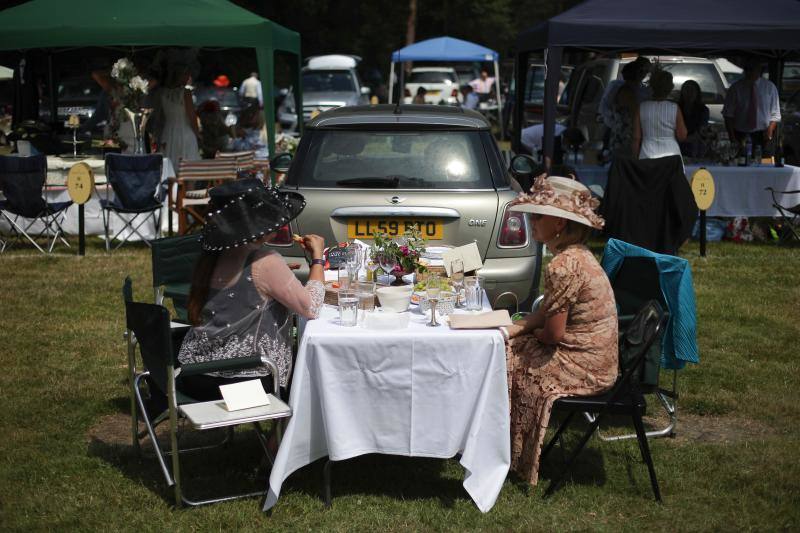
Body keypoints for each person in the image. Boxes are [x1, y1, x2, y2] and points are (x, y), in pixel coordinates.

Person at [500, 174, 618, 488]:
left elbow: (553, 334)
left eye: (538, 215)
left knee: (506, 361)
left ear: (559, 224)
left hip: (587, 367)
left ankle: (507, 455)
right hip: (601, 360)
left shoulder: (563, 265)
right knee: (510, 348)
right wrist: (520, 327)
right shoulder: (576, 255)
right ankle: (503, 449)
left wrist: (524, 334)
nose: (531, 220)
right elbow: (547, 314)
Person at [178, 178, 325, 399]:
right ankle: (282, 434)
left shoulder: (210, 256)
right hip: (244, 382)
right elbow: (310, 307)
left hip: (194, 378)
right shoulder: (265, 261)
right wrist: (317, 259)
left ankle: (275, 435)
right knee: (311, 365)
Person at [722, 58, 781, 157]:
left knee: (762, 166)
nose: (749, 72)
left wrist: (770, 130)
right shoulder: (736, 88)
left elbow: (775, 114)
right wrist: (732, 138)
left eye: (751, 69)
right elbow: (728, 115)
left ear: (759, 70)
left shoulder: (770, 87)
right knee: (740, 163)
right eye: (747, 69)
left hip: (762, 134)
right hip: (740, 134)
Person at [153, 65, 200, 169]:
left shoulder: (163, 93)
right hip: (185, 133)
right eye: (186, 74)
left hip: (168, 132)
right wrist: (198, 134)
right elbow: (192, 115)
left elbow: (161, 117)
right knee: (189, 169)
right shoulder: (185, 92)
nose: (188, 77)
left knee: (169, 167)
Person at [634, 69, 687, 159]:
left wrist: (635, 158)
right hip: (671, 155)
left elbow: (636, 138)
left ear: (651, 86)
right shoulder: (674, 108)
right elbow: (682, 136)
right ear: (670, 87)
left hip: (647, 155)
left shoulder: (641, 107)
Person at [599, 57, 651, 130]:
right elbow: (604, 107)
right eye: (642, 69)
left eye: (647, 70)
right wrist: (616, 118)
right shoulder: (616, 85)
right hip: (616, 127)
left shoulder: (644, 89)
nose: (644, 73)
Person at [677, 80, 709, 157]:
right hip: (676, 146)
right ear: (682, 92)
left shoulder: (703, 110)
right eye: (686, 90)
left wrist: (683, 139)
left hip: (695, 147)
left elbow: (701, 131)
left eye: (692, 90)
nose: (689, 93)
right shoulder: (676, 108)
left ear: (697, 93)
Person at [608, 84, 638, 159]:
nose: (624, 98)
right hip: (617, 146)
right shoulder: (614, 110)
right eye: (622, 96)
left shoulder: (634, 112)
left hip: (627, 146)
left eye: (627, 97)